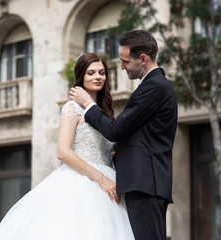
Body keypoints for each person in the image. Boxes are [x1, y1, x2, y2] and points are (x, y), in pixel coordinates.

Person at [0, 53, 134, 240]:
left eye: (101, 72)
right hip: (83, 183)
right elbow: (63, 152)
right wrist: (100, 179)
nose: (98, 77)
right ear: (81, 76)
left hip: (110, 183)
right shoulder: (71, 108)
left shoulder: (105, 112)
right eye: (91, 73)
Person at [70, 30, 178, 240]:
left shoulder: (154, 86)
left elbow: (116, 129)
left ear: (143, 59)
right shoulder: (154, 85)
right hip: (145, 184)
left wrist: (89, 105)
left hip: (146, 184)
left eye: (125, 61)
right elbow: (139, 135)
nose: (121, 66)